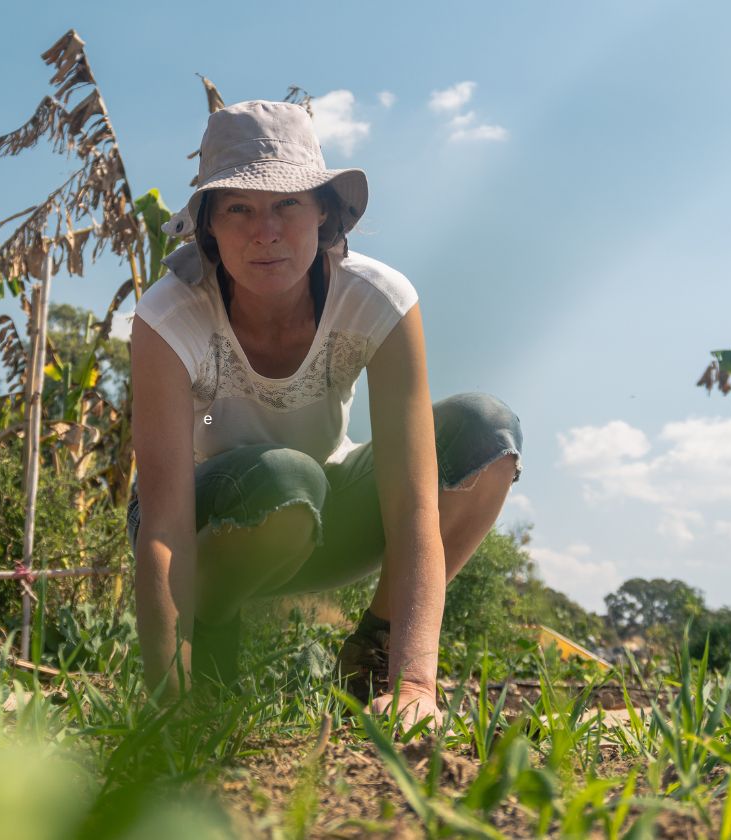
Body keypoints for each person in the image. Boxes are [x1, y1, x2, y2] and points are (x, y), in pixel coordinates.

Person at [129, 100, 522, 727]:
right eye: (238, 208)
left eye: (287, 204)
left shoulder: (378, 302)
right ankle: (212, 634)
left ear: (324, 214)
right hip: (208, 531)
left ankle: (372, 655)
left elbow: (412, 502)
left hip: (325, 511)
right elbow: (164, 526)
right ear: (208, 227)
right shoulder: (168, 318)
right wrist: (165, 704)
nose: (266, 231)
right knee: (286, 479)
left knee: (486, 432)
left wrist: (416, 681)